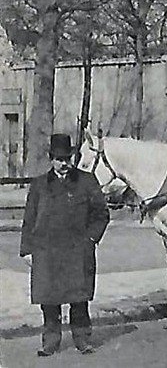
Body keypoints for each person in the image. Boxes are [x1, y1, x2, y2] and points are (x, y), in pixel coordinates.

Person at [20, 134, 110, 356]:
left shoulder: (87, 181)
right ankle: (50, 342)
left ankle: (82, 340)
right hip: (46, 251)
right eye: (60, 159)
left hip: (77, 250)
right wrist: (27, 250)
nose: (64, 163)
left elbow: (101, 214)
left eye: (68, 158)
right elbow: (29, 219)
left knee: (79, 298)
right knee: (49, 300)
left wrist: (91, 239)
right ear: (51, 158)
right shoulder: (39, 185)